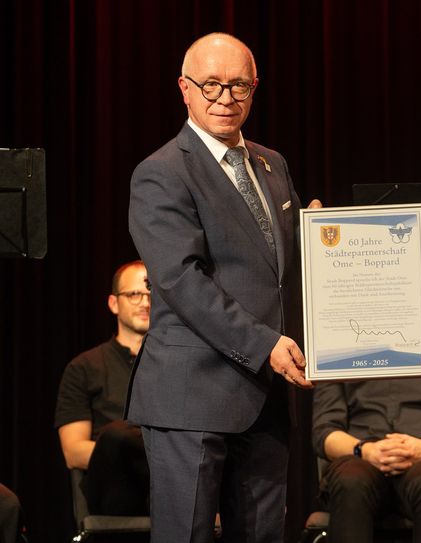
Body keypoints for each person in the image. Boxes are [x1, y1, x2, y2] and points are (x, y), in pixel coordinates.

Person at [127, 32, 319, 542]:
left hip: (265, 398)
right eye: (211, 85)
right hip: (191, 397)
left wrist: (324, 243)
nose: (225, 99)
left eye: (238, 86)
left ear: (255, 89)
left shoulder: (271, 164)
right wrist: (265, 346)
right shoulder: (162, 172)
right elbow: (182, 280)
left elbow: (280, 267)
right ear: (184, 89)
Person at [312, 378, 421, 543]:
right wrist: (366, 451)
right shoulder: (337, 354)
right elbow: (324, 432)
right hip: (360, 455)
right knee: (351, 480)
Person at [54, 260, 150, 515]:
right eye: (134, 294)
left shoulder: (175, 366)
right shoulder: (84, 367)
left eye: (152, 294)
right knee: (119, 435)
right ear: (113, 303)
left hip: (164, 484)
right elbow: (73, 451)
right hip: (112, 491)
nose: (145, 303)